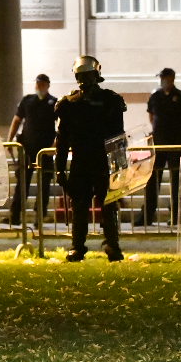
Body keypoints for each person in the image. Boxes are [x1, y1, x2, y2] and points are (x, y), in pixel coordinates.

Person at [53, 56, 128, 262]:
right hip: (81, 161)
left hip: (103, 161)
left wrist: (120, 166)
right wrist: (59, 169)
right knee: (79, 206)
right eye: (82, 76)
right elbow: (62, 140)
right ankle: (78, 246)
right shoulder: (68, 104)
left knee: (108, 205)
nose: (85, 80)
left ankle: (112, 245)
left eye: (88, 75)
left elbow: (118, 137)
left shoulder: (111, 100)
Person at [139, 67, 181, 227]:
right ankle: (147, 217)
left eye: (165, 79)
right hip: (159, 143)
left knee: (175, 181)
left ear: (172, 79)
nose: (163, 82)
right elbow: (152, 116)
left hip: (175, 143)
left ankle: (176, 216)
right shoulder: (155, 96)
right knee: (153, 180)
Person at [5, 74, 57, 227]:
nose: (39, 86)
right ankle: (15, 215)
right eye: (38, 84)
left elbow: (61, 124)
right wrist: (9, 140)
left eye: (42, 84)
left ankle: (39, 217)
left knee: (44, 184)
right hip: (27, 149)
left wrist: (55, 145)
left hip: (45, 151)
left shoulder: (54, 103)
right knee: (22, 183)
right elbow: (17, 120)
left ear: (47, 85)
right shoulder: (27, 101)